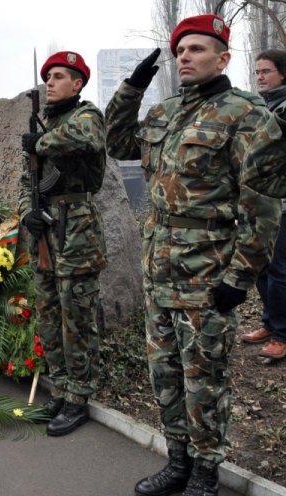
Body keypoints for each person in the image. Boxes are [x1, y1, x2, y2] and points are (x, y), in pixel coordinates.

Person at [105, 14, 281, 496]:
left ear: (223, 58)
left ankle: (205, 474)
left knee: (204, 380)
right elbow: (116, 142)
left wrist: (240, 279)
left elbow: (262, 206)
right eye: (181, 50)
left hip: (207, 274)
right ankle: (178, 462)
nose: (185, 57)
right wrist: (131, 88)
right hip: (158, 271)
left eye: (198, 49)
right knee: (165, 375)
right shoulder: (164, 113)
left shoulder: (247, 115)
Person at [18, 51, 108, 437]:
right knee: (50, 315)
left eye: (59, 76)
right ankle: (59, 386)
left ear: (78, 83)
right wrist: (27, 214)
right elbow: (28, 184)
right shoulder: (42, 124)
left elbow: (86, 139)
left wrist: (41, 142)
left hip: (78, 232)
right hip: (46, 234)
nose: (50, 82)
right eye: (47, 77)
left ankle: (79, 397)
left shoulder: (87, 116)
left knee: (77, 319)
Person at [240, 49, 286, 362]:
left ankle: (283, 333)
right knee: (261, 267)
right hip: (258, 203)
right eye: (257, 72)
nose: (260, 77)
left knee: (281, 271)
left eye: (266, 71)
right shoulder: (260, 107)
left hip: (282, 203)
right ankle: (270, 323)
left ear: (283, 74)